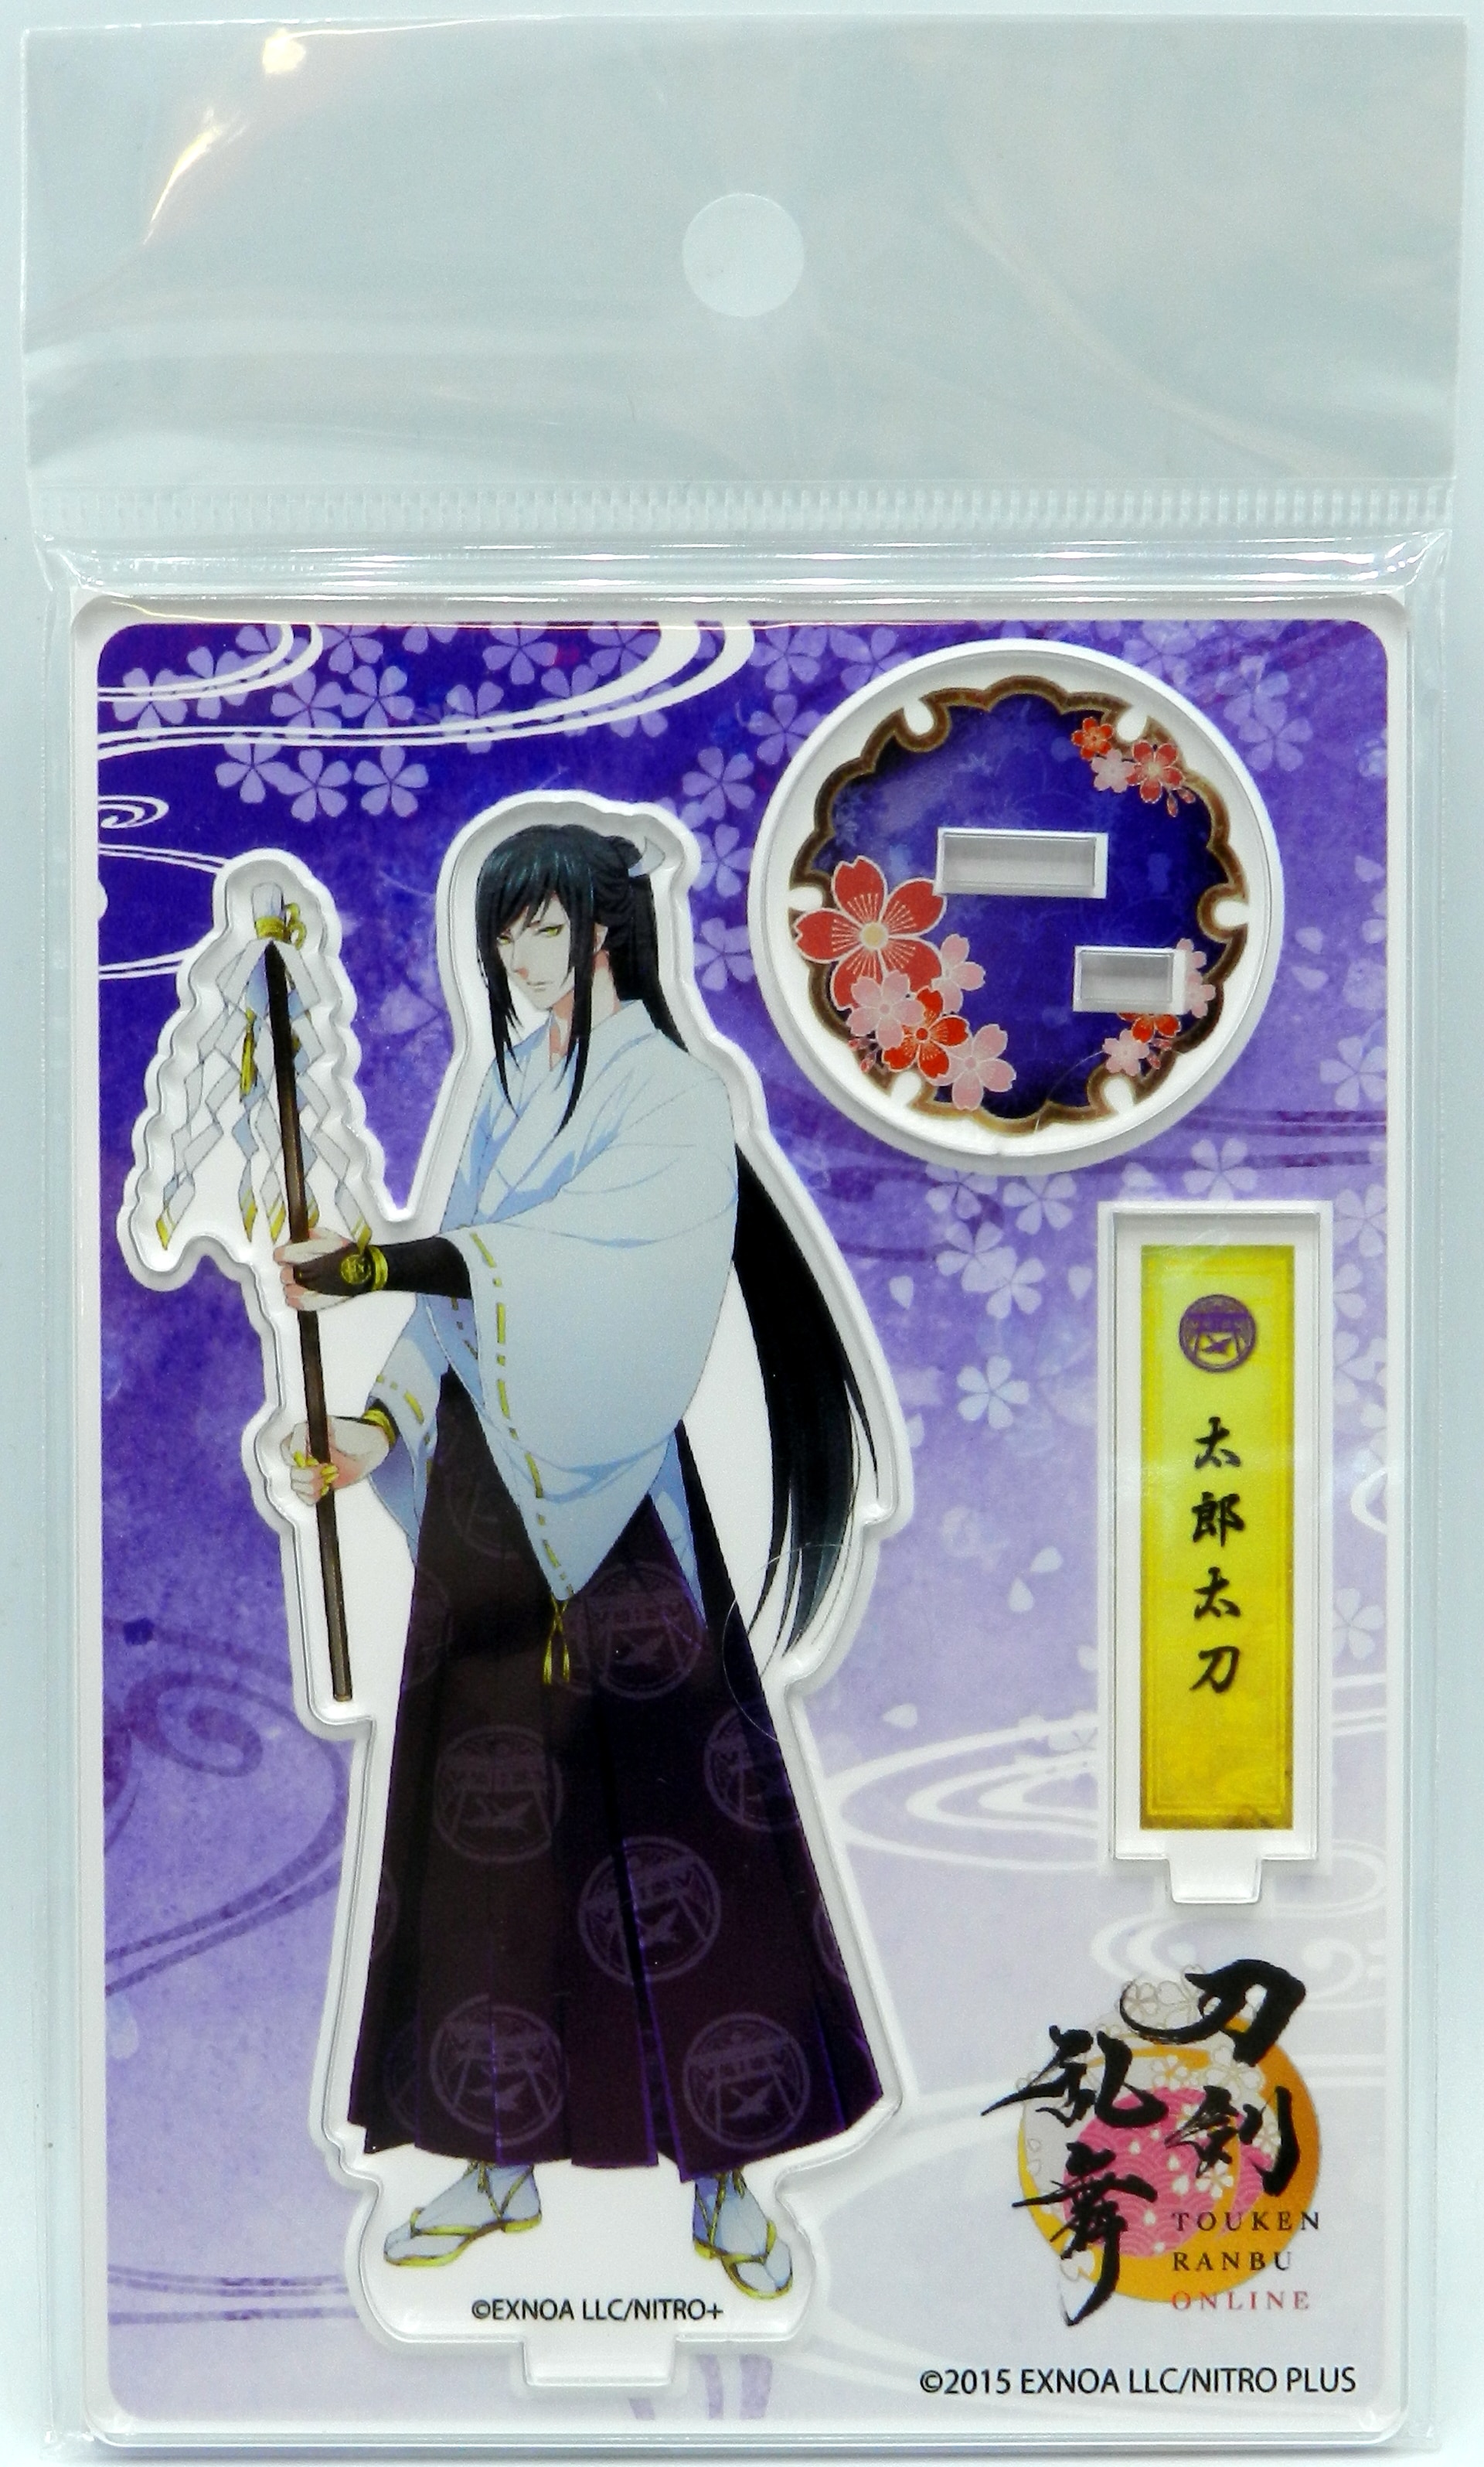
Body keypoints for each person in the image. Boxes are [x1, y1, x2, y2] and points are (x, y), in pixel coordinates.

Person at [277, 816, 882, 2298]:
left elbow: (578, 1269)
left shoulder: (672, 1095)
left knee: (689, 1828)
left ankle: (728, 2178)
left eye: (540, 928)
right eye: (505, 934)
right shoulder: (506, 1089)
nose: (518, 957)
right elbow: (463, 1297)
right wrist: (373, 1422)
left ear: (604, 929)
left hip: (618, 1504)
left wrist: (377, 1261)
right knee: (484, 1834)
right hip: (486, 1507)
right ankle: (490, 2156)